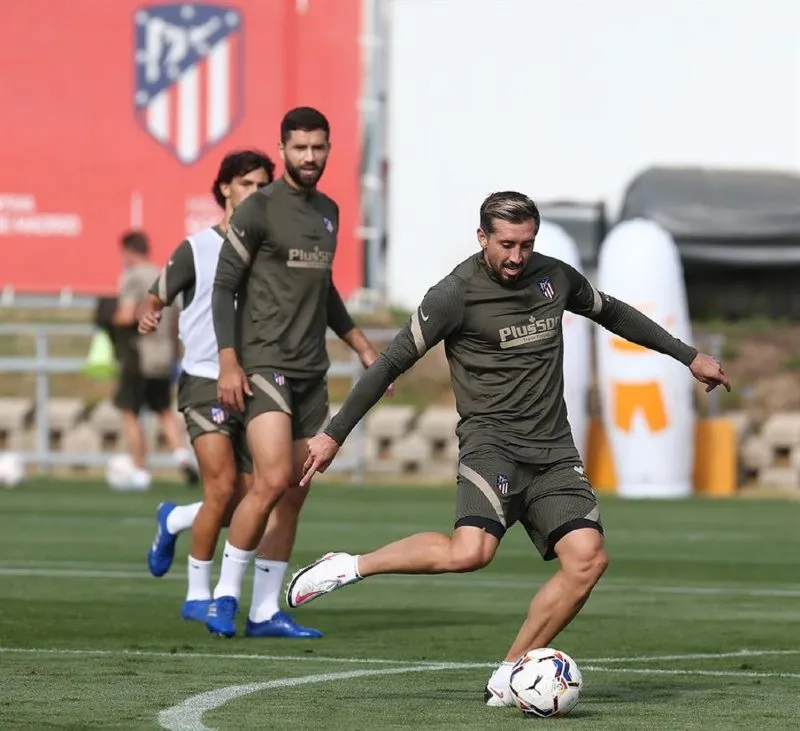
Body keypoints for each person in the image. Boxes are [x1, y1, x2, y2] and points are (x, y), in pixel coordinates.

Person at [285, 191, 731, 703]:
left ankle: (508, 672)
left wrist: (688, 355)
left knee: (587, 559)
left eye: (526, 243)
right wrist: (333, 433)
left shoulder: (555, 277)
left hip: (554, 452)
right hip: (491, 446)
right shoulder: (454, 294)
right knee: (471, 553)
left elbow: (615, 314)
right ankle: (350, 565)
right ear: (482, 238)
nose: (517, 256)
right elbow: (389, 364)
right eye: (506, 244)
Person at [207, 107, 388, 638]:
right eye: (300, 147)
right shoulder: (258, 209)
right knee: (272, 479)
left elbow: (324, 291)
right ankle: (223, 596)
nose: (310, 157)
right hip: (264, 362)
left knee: (295, 492)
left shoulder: (329, 211)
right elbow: (224, 287)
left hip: (312, 371)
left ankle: (264, 611)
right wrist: (228, 359)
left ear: (329, 149)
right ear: (283, 149)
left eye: (319, 147)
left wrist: (360, 345)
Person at [139, 150, 321, 638]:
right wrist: (151, 309)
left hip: (259, 379)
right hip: (205, 378)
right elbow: (157, 291)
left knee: (254, 496)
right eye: (245, 184)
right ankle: (199, 596)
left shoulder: (271, 248)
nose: (255, 192)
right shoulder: (197, 248)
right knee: (222, 490)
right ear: (223, 189)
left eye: (264, 184)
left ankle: (175, 519)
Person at [113, 230, 198, 490]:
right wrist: (174, 355)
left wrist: (108, 319)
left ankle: (140, 471)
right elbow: (174, 322)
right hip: (164, 356)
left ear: (128, 251)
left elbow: (127, 315)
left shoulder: (134, 277)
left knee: (130, 413)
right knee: (163, 410)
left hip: (139, 354)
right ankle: (181, 457)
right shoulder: (163, 276)